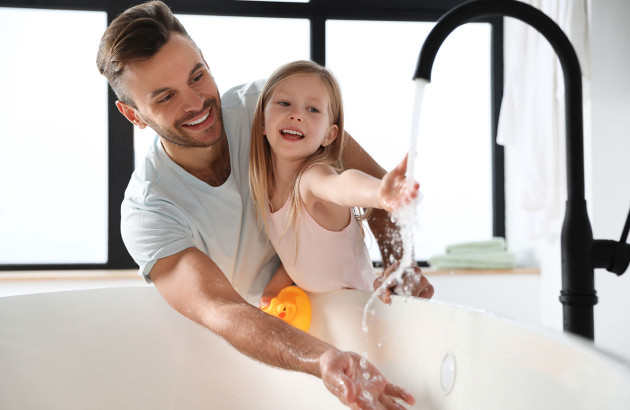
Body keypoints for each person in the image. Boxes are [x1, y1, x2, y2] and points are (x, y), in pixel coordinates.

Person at [96, 1, 433, 408]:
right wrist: (322, 357)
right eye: (166, 97)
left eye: (197, 76)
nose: (196, 103)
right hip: (274, 338)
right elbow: (223, 309)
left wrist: (399, 261)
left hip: (343, 304)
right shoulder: (149, 212)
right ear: (133, 115)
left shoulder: (271, 108)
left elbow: (376, 192)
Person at [249, 60, 420, 307]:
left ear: (329, 135)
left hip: (364, 311)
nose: (296, 114)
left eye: (313, 110)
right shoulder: (266, 189)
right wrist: (274, 289)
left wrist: (378, 193)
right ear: (262, 123)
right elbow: (298, 249)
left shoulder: (312, 178)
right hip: (332, 313)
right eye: (284, 103)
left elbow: (341, 186)